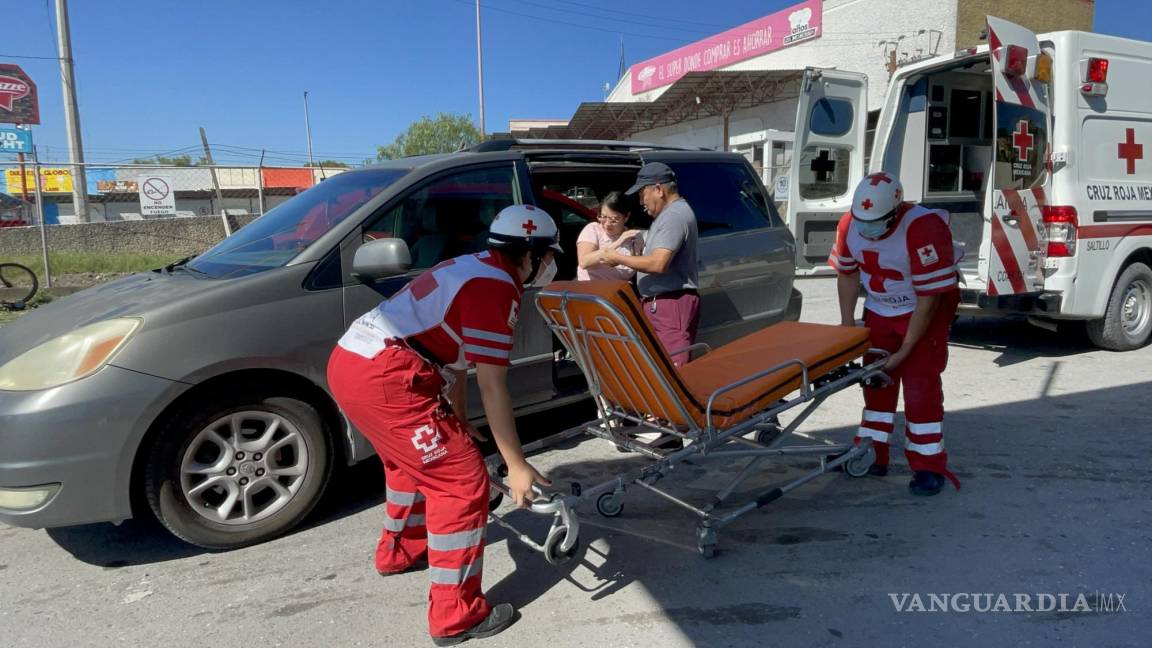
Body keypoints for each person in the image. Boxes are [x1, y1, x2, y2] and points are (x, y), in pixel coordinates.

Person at [327, 204, 559, 645]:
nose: (550, 265)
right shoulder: (498, 288)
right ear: (530, 254)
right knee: (461, 483)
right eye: (548, 255)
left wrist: (455, 417)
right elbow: (494, 386)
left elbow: (451, 360)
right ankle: (457, 617)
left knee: (409, 465)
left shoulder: (473, 265)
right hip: (386, 374)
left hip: (353, 361)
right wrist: (516, 464)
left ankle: (401, 551)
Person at [828, 171, 962, 497]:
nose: (866, 229)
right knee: (875, 384)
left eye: (874, 222)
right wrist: (848, 327)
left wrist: (904, 352)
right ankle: (871, 452)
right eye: (861, 221)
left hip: (921, 310)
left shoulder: (923, 228)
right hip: (879, 309)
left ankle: (929, 465)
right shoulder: (851, 224)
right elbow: (847, 275)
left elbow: (929, 299)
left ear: (896, 211)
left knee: (920, 389)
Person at [603, 162, 699, 366]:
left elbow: (658, 263)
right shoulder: (669, 215)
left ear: (658, 190)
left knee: (674, 375)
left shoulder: (673, 216)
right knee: (661, 371)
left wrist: (618, 258)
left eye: (641, 194)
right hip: (662, 305)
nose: (640, 201)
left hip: (670, 306)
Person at [576, 191, 643, 281]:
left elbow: (639, 266)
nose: (607, 224)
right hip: (591, 290)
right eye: (603, 217)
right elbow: (584, 262)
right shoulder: (593, 229)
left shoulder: (633, 238)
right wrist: (618, 242)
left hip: (617, 291)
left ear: (626, 217)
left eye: (614, 219)